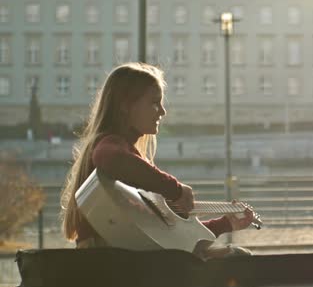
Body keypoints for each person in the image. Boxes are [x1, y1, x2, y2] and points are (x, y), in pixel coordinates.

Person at [60, 63, 255, 255]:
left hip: (113, 257)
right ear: (126, 106)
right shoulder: (110, 144)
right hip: (107, 262)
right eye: (154, 102)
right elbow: (109, 158)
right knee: (235, 257)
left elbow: (166, 238)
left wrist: (226, 223)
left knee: (234, 256)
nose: (162, 111)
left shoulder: (129, 160)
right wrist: (175, 189)